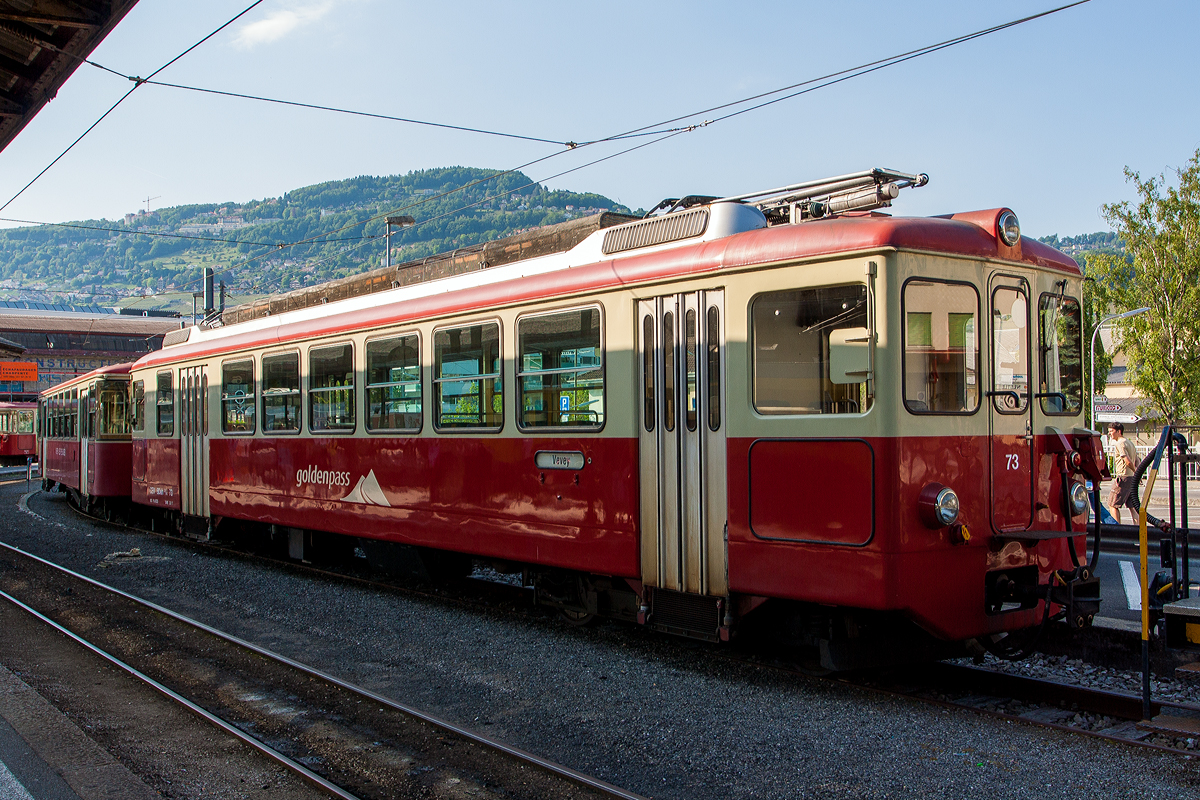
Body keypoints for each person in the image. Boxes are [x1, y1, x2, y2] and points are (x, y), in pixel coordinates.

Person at [1106, 422, 1140, 524]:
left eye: (1112, 431)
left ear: (1119, 431)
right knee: (1132, 505)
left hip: (1123, 476)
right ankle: (1138, 528)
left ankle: (1117, 528)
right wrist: (1137, 472)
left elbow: (1127, 460)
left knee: (1112, 504)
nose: (1110, 434)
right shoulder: (1129, 442)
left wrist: (1134, 470)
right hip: (1131, 478)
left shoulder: (1120, 443)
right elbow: (1137, 459)